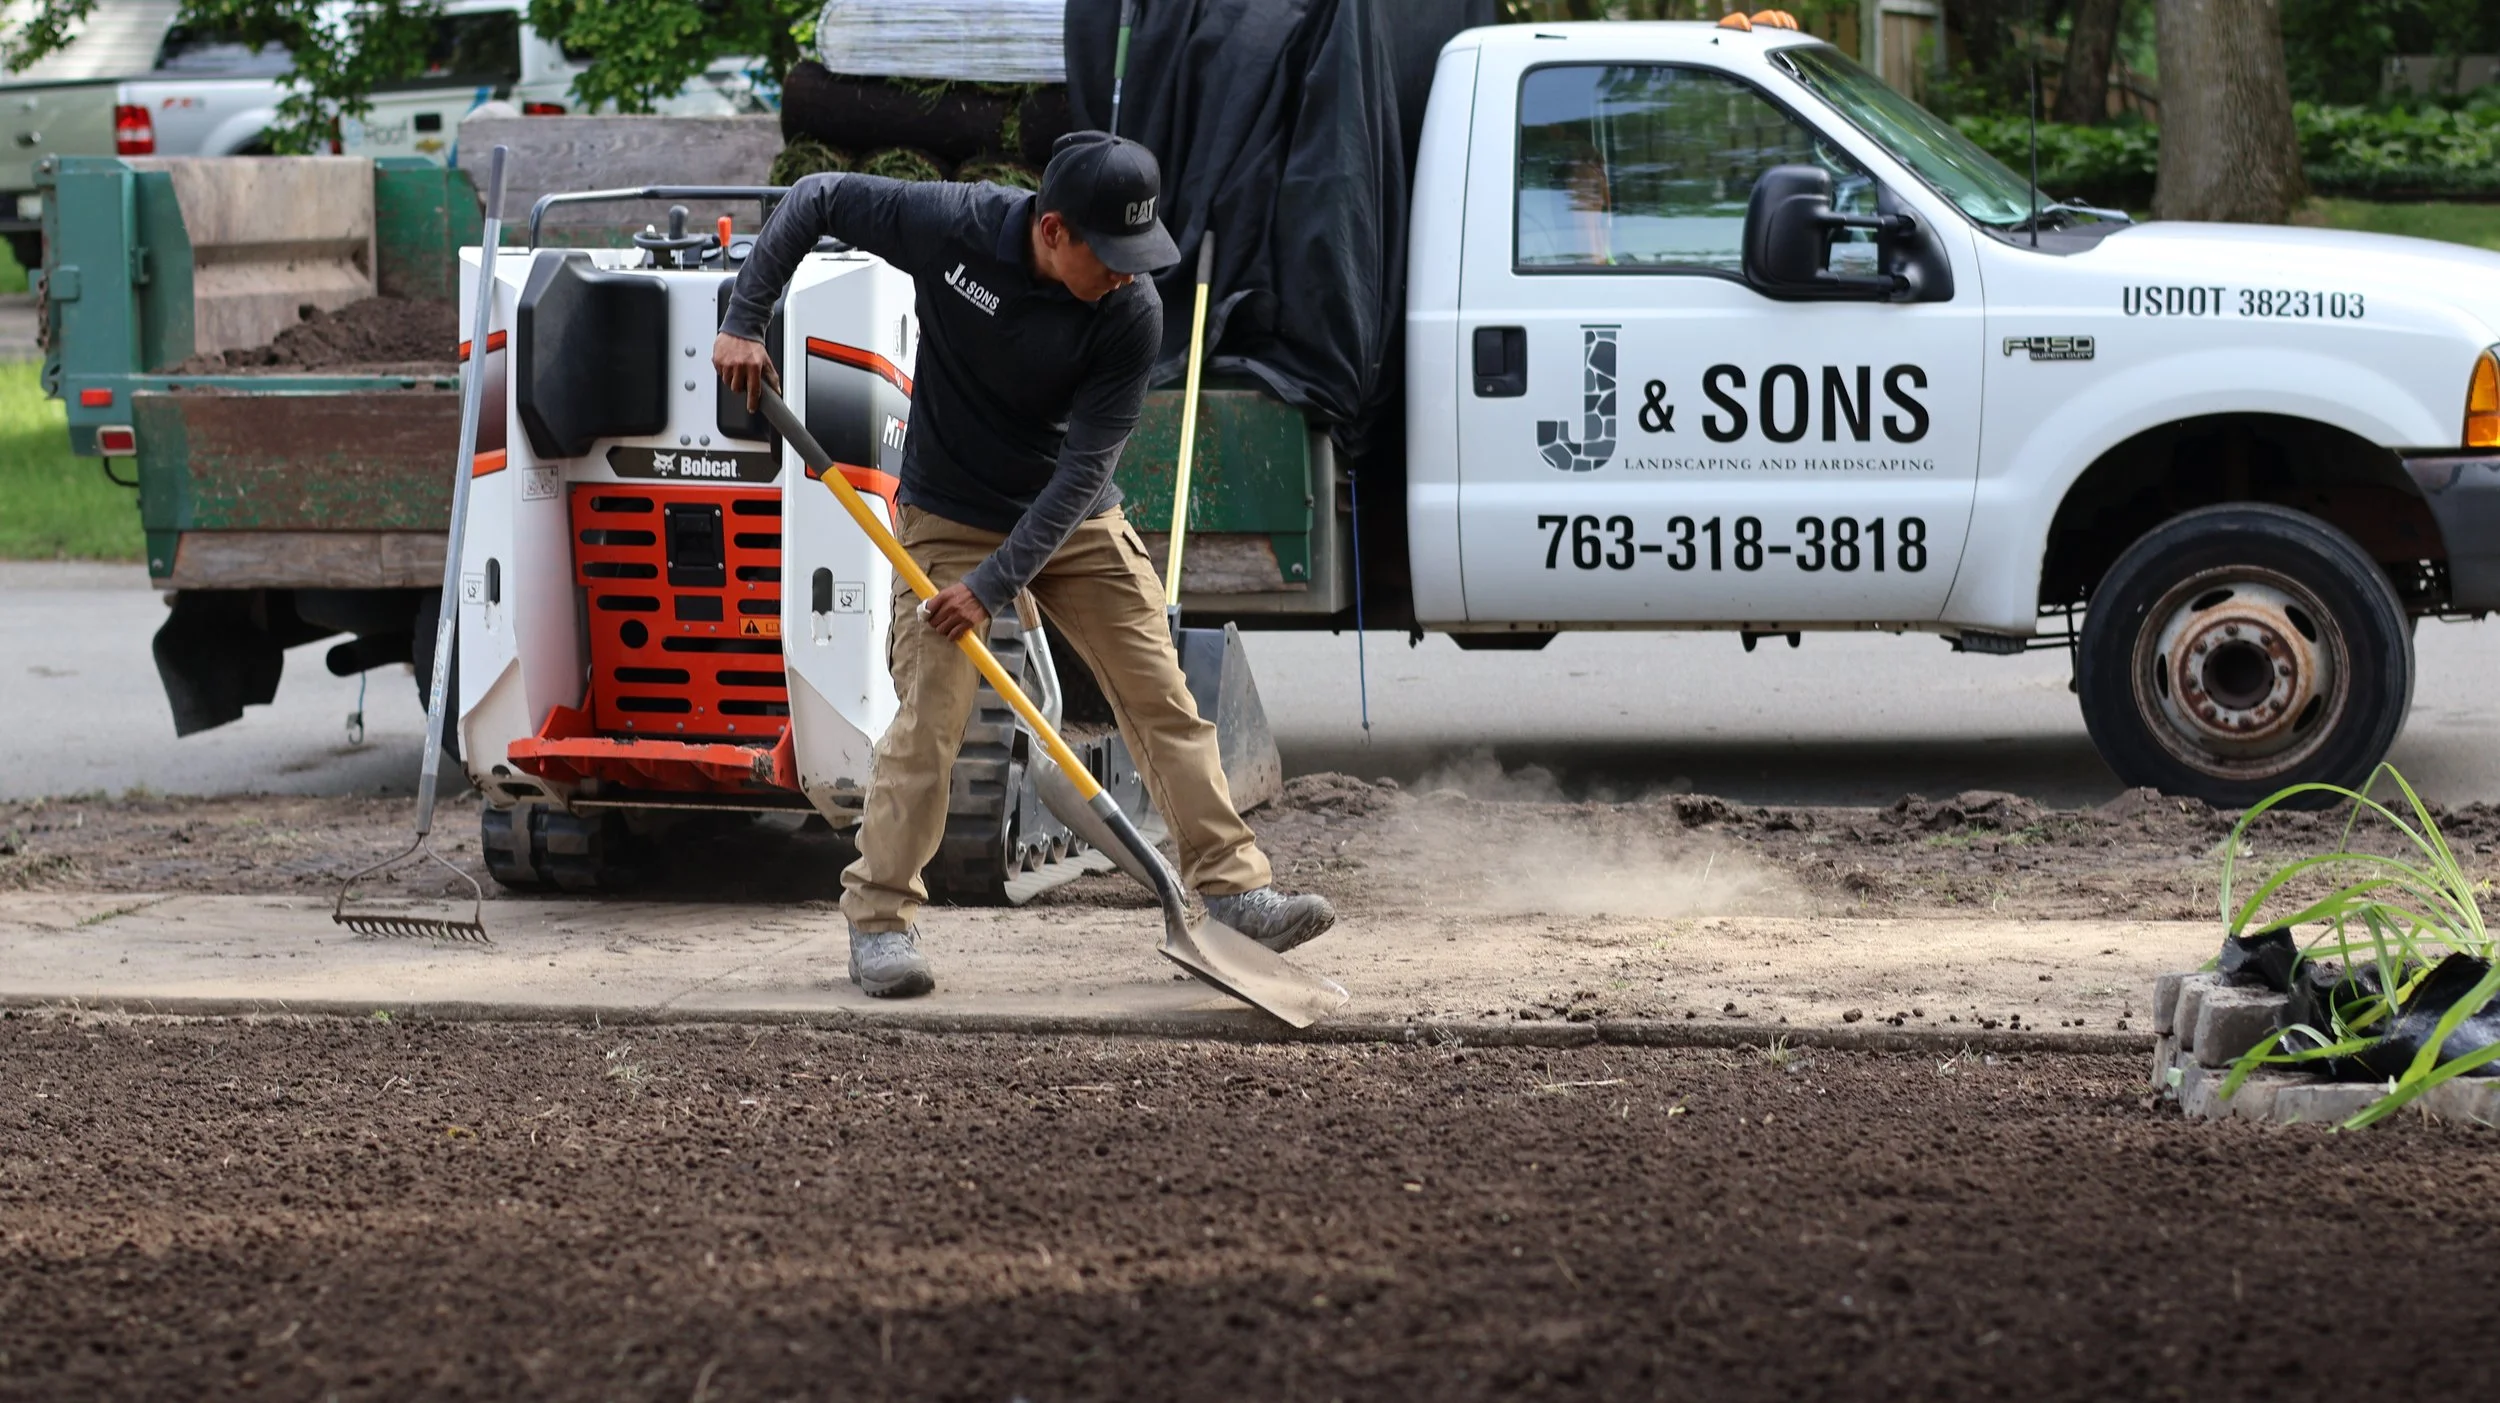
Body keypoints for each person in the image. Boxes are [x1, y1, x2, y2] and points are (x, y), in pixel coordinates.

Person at [714, 131, 1336, 998]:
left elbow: (1084, 472)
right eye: (1109, 255)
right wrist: (744, 319)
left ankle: (1235, 891)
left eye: (1137, 255)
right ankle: (881, 919)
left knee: (1160, 692)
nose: (1125, 273)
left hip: (1071, 516)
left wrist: (993, 588)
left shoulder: (1132, 311)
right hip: (948, 513)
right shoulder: (954, 226)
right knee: (931, 715)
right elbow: (816, 194)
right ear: (1052, 231)